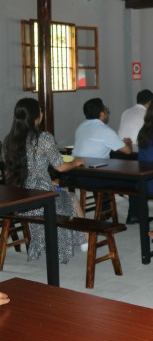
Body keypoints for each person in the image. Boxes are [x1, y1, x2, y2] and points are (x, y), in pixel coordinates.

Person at [3, 98, 86, 264]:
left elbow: (11, 171)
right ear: (36, 115)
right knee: (71, 197)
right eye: (40, 111)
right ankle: (85, 240)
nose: (42, 113)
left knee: (59, 190)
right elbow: (60, 167)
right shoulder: (43, 138)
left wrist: (47, 181)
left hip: (18, 198)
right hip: (41, 200)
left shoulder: (9, 140)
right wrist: (76, 162)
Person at [73, 97, 134, 221]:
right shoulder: (105, 130)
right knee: (135, 180)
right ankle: (135, 215)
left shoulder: (81, 127)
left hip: (78, 175)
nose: (107, 112)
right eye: (106, 109)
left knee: (104, 166)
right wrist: (128, 143)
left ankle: (104, 209)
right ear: (101, 114)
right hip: (95, 178)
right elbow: (127, 151)